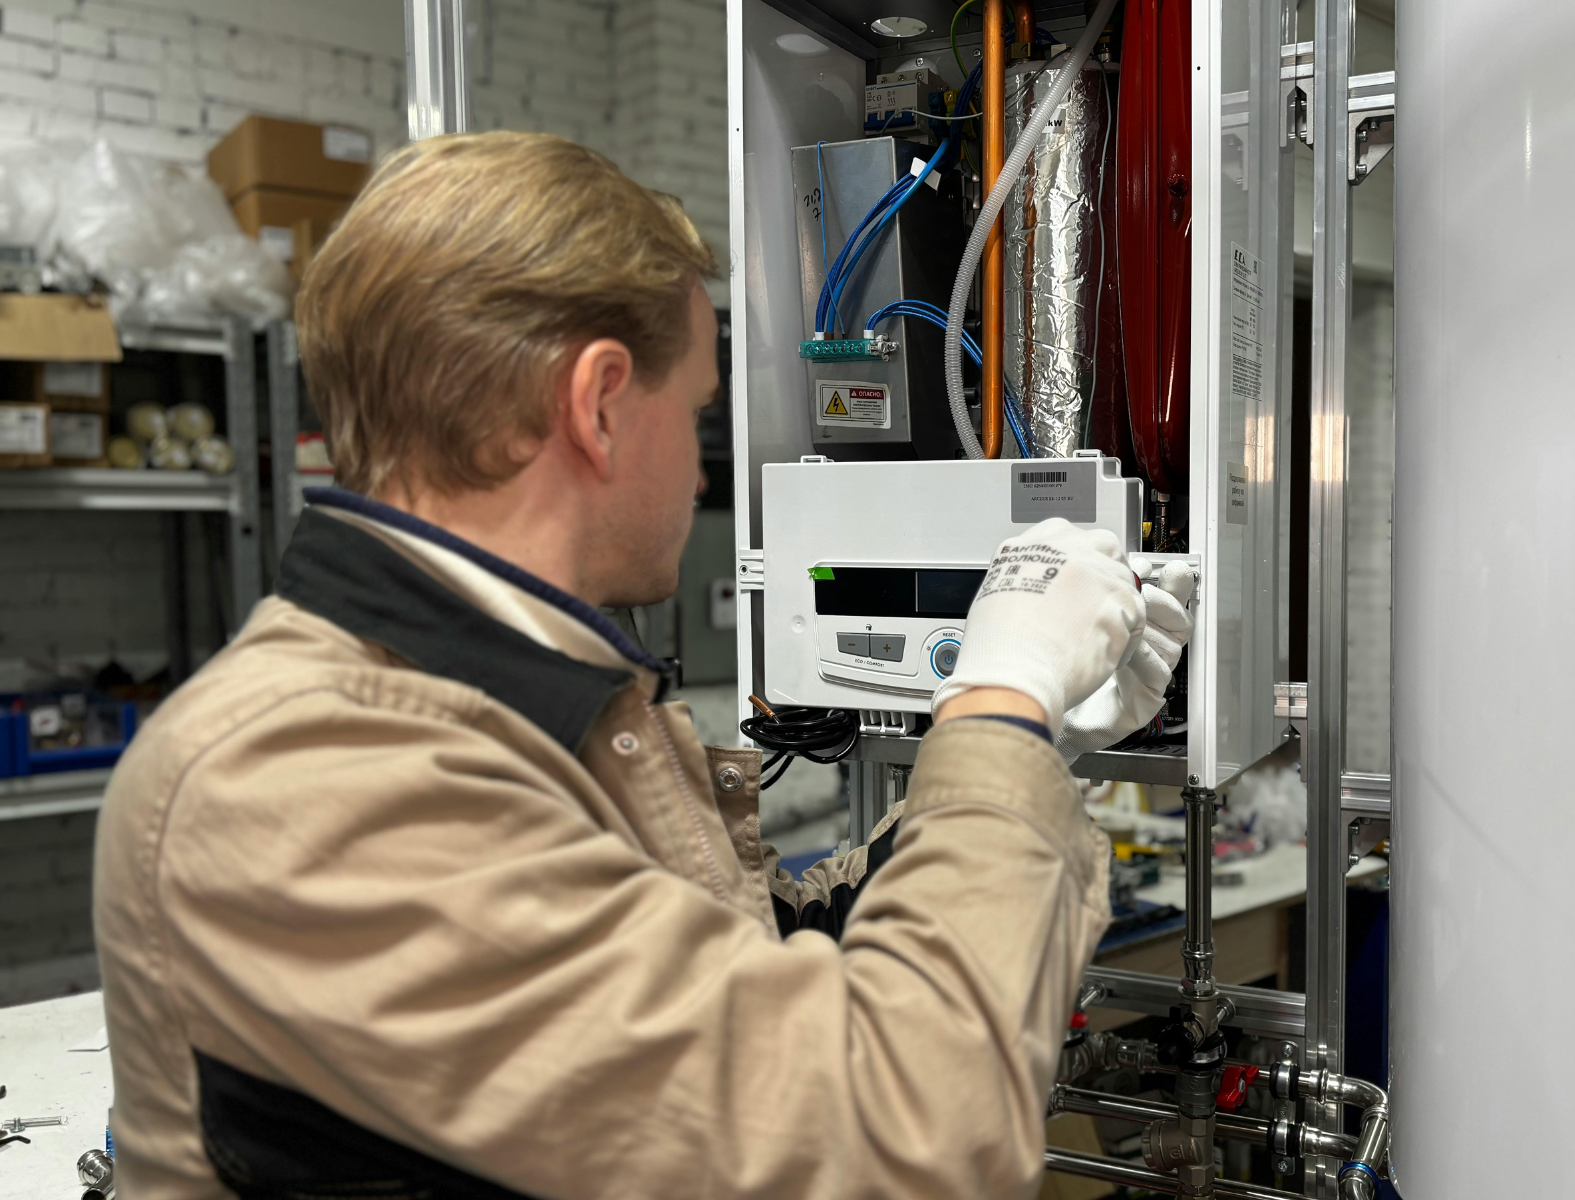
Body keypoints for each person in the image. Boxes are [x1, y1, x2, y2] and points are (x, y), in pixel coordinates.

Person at [93, 132, 1194, 1200]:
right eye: (698, 410)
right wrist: (997, 705)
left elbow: (756, 953)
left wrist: (1033, 740)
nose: (702, 477)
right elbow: (901, 1132)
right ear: (600, 405)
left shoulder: (520, 699)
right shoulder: (308, 771)